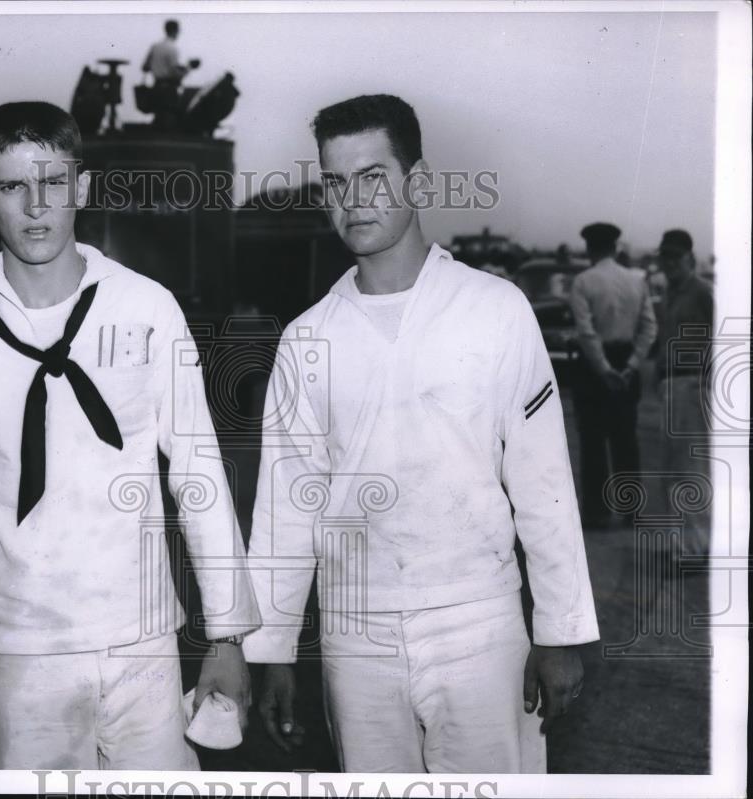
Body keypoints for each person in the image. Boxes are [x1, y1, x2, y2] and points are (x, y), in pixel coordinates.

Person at [242, 94, 599, 773]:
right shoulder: (306, 337)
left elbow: (543, 482)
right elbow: (287, 508)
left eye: (374, 176)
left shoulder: (494, 310)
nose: (354, 199)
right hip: (356, 633)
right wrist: (275, 650)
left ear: (419, 181)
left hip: (479, 622)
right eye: (336, 182)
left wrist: (560, 630)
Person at [0, 101, 260, 770]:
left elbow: (199, 471)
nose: (36, 207)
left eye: (53, 184)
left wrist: (229, 635)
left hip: (143, 638)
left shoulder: (146, 306)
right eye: (12, 186)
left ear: (83, 188)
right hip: (21, 651)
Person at [568, 222, 657, 527]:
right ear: (616, 248)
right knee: (625, 440)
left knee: (593, 441)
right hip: (626, 361)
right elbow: (649, 327)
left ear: (590, 249)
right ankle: (631, 511)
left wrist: (603, 369)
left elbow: (586, 332)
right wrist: (631, 364)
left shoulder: (583, 281)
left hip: (594, 368)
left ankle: (597, 514)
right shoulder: (637, 281)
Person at [654, 229, 714, 557]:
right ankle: (684, 547)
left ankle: (693, 550)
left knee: (690, 471)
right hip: (671, 386)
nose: (669, 262)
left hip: (692, 386)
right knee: (673, 471)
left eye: (676, 256)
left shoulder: (704, 291)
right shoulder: (669, 293)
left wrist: (708, 380)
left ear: (690, 258)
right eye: (665, 256)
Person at [141, 19, 200, 129]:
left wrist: (159, 67)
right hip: (168, 92)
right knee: (169, 122)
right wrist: (189, 68)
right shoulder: (173, 48)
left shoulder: (155, 46)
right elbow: (175, 74)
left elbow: (145, 67)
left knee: (158, 119)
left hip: (156, 88)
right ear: (175, 31)